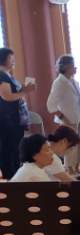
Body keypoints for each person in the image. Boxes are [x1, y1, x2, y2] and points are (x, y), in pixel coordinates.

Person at [46, 54, 80, 174]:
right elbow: (50, 104)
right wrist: (62, 117)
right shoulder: (59, 82)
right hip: (67, 119)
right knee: (70, 145)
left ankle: (77, 167)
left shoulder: (74, 81)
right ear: (66, 67)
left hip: (78, 117)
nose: (75, 68)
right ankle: (69, 169)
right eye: (73, 65)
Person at [0, 47, 33, 181]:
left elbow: (15, 94)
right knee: (9, 148)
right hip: (7, 119)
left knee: (15, 148)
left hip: (15, 118)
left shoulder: (8, 75)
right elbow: (6, 96)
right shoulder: (1, 75)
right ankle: (11, 178)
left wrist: (24, 88)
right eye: (10, 58)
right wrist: (25, 92)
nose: (13, 60)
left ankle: (15, 177)